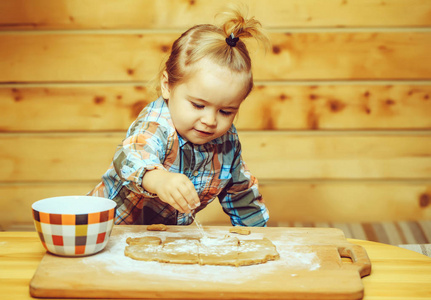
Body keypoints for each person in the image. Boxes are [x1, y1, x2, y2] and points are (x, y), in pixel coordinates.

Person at [88, 5, 270, 227]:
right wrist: (159, 179)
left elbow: (241, 195)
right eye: (197, 105)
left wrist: (258, 236)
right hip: (105, 232)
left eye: (226, 111)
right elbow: (131, 155)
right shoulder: (157, 123)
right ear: (167, 86)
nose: (210, 121)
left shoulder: (226, 142)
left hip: (161, 238)